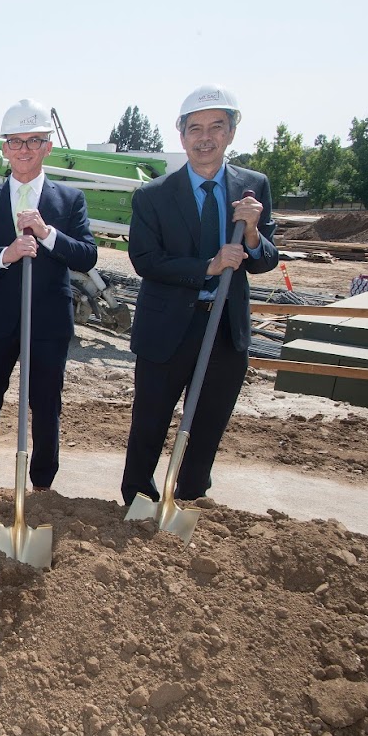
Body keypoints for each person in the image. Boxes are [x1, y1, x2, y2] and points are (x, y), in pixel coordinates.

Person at [120, 84, 278, 505]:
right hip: (168, 326)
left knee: (209, 421)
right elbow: (146, 260)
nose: (205, 137)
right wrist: (207, 266)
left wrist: (250, 231)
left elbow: (264, 260)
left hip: (225, 325)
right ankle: (136, 496)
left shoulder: (253, 188)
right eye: (195, 129)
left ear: (230, 132)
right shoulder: (153, 195)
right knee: (150, 419)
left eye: (216, 127)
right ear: (181, 135)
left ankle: (189, 496)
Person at [0, 100, 97, 491]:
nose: (24, 149)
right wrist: (6, 254)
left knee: (46, 404)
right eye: (15, 141)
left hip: (48, 321)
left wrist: (48, 234)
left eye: (33, 140)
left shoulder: (69, 201)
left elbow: (87, 255)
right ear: (5, 148)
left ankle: (41, 484)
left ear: (47, 147)